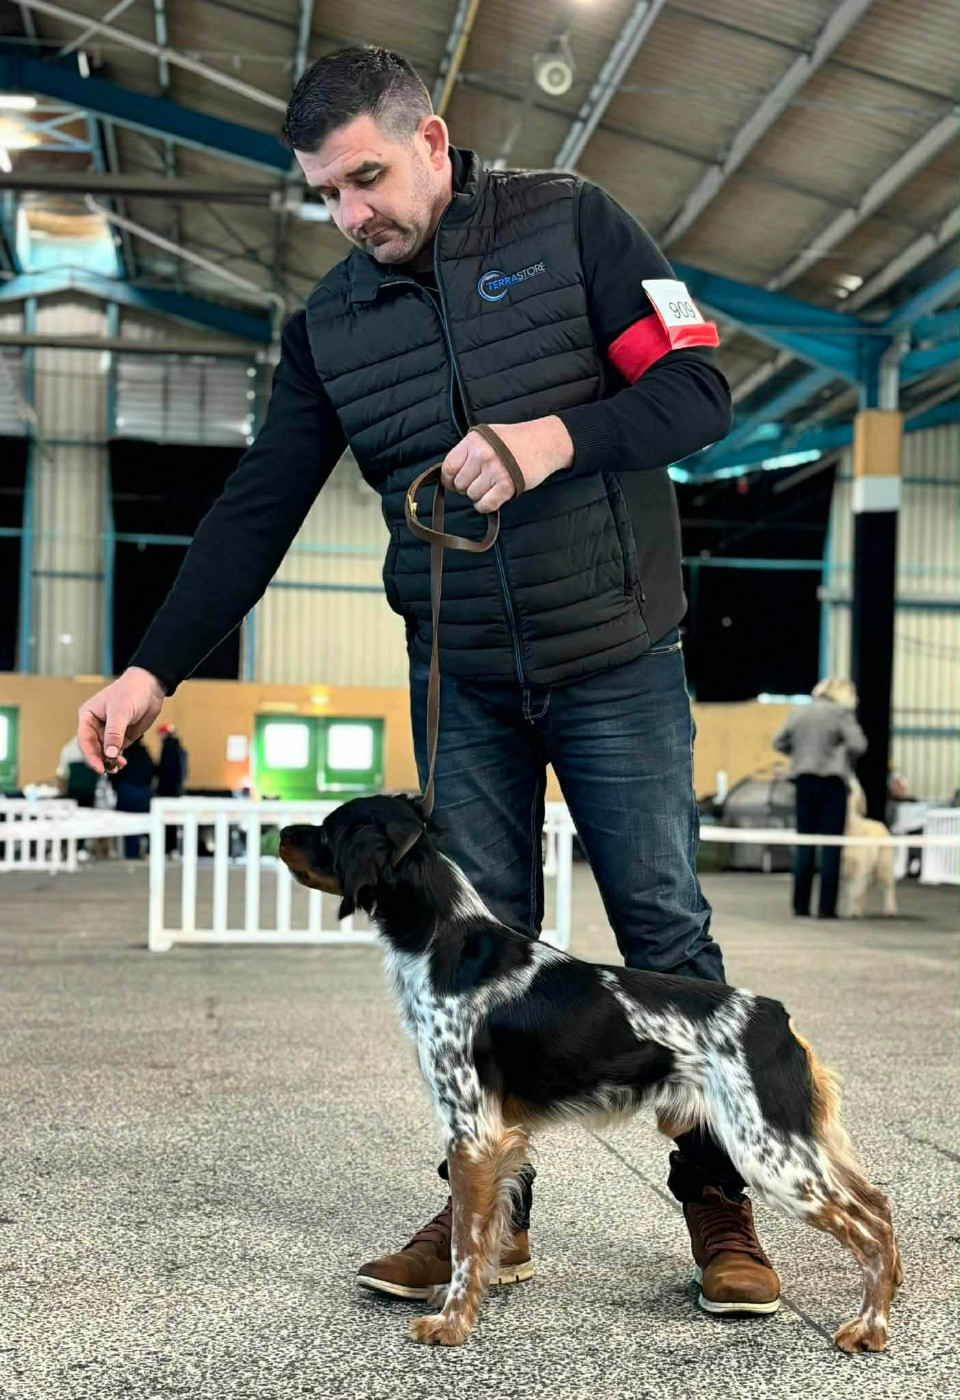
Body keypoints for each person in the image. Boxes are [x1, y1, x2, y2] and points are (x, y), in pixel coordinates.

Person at [77, 47, 781, 1318]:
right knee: (472, 953)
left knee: (668, 930)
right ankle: (489, 1215)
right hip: (461, 671)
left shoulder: (574, 225)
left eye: (368, 178)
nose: (352, 217)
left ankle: (717, 1196)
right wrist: (150, 666)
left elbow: (696, 388)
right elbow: (257, 506)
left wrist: (551, 436)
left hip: (616, 651)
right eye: (326, 195)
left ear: (435, 141)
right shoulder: (332, 328)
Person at [773, 678, 868, 919]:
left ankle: (800, 906)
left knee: (804, 843)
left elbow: (778, 742)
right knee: (831, 846)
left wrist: (800, 754)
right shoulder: (840, 714)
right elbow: (859, 744)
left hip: (803, 782)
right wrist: (839, 754)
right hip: (831, 784)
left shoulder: (799, 711)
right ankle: (826, 908)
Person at [110, 735, 156, 860]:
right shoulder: (144, 752)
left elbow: (113, 772)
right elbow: (152, 770)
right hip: (143, 791)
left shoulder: (122, 752)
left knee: (128, 824)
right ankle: (147, 850)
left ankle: (131, 854)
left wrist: (117, 786)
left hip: (126, 790)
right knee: (145, 823)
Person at [156, 723, 188, 854]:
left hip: (166, 790)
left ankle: (166, 848)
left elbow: (164, 770)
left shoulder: (167, 748)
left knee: (165, 821)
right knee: (173, 820)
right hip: (176, 790)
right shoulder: (180, 749)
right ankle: (172, 848)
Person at [56, 732, 99, 808]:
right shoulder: (70, 749)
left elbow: (62, 774)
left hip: (88, 795)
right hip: (78, 794)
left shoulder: (68, 749)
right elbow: (61, 776)